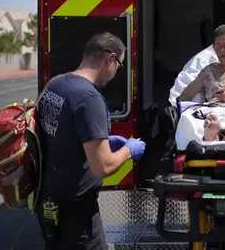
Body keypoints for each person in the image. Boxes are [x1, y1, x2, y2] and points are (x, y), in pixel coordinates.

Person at [35, 32, 146, 250]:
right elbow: (103, 166)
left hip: (48, 202)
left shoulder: (56, 84)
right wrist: (129, 150)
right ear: (110, 59)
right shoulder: (89, 99)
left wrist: (100, 141)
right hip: (76, 213)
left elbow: (57, 133)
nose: (115, 74)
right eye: (119, 67)